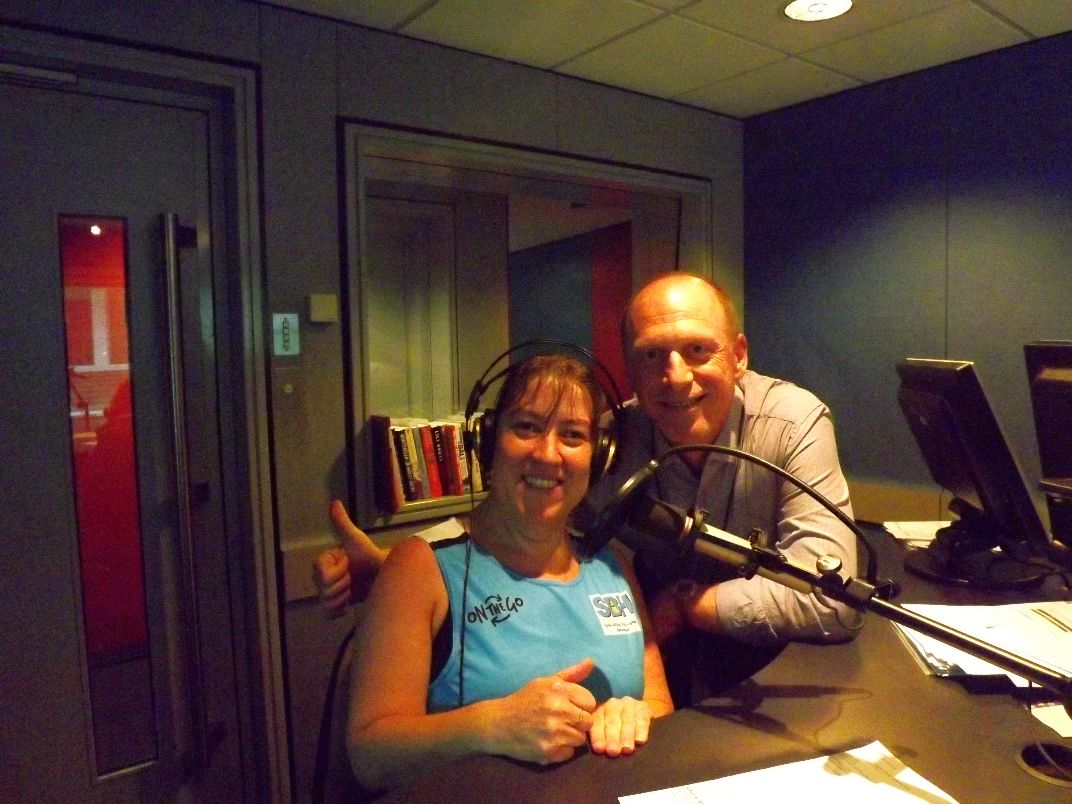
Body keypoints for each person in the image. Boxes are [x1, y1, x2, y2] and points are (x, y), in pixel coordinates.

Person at [318, 272, 859, 703]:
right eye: (651, 355)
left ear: (738, 356)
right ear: (631, 370)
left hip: (773, 674)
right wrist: (396, 570)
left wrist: (686, 604)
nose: (675, 376)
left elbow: (832, 602)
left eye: (698, 349)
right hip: (655, 663)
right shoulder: (607, 441)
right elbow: (527, 518)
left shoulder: (793, 423)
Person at [343, 354, 673, 793]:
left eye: (572, 435)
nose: (547, 454)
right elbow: (370, 754)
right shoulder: (419, 567)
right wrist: (492, 725)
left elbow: (659, 705)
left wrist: (633, 716)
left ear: (598, 457)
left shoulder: (613, 564)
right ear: (487, 441)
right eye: (527, 427)